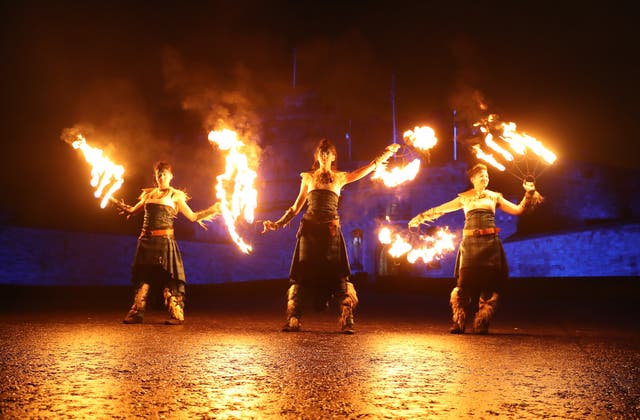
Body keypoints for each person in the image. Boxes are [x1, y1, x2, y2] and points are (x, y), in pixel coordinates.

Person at [263, 139, 400, 334]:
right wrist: (278, 223)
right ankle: (293, 318)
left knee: (338, 276)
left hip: (330, 232)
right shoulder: (308, 178)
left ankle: (347, 321)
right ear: (317, 157)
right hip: (309, 231)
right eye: (321, 153)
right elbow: (295, 207)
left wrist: (384, 155)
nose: (324, 156)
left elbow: (366, 169)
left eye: (327, 153)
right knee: (302, 275)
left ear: (333, 157)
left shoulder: (340, 178)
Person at [408, 163, 541, 334]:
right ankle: (459, 321)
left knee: (488, 284)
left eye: (486, 175)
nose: (485, 178)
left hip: (490, 244)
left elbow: (518, 210)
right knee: (463, 283)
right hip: (470, 244)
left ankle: (482, 323)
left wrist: (529, 192)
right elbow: (441, 209)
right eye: (481, 176)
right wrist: (420, 217)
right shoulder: (464, 198)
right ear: (472, 179)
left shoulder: (495, 197)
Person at [114, 161, 219, 325]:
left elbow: (192, 217)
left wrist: (213, 209)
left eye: (164, 173)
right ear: (155, 177)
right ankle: (137, 312)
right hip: (145, 240)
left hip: (164, 241)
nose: (161, 176)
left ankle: (176, 314)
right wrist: (114, 201)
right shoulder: (148, 195)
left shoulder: (174, 195)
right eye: (158, 174)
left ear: (171, 176)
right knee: (142, 276)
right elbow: (133, 210)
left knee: (170, 277)